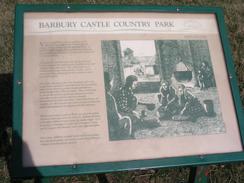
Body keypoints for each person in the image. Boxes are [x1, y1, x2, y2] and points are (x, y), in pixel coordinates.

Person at [104, 72, 132, 140]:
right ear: (108, 85)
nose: (112, 85)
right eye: (111, 83)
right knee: (127, 119)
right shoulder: (109, 97)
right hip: (112, 124)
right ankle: (126, 137)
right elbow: (114, 115)